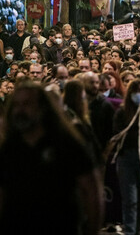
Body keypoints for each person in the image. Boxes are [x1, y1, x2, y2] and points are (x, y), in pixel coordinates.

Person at [0, 82, 102, 234]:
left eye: (27, 104)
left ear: (42, 107)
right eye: (16, 105)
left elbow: (91, 188)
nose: (20, 110)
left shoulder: (65, 143)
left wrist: (93, 229)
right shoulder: (10, 147)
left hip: (59, 225)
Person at [113, 79, 140, 235]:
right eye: (137, 92)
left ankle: (135, 230)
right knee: (130, 200)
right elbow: (119, 135)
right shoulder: (122, 112)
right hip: (127, 158)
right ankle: (130, 231)